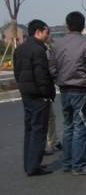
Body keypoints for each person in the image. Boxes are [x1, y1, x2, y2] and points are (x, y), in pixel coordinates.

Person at [49, 11, 86, 175]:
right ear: (83, 25)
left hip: (64, 90)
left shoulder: (57, 43)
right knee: (81, 127)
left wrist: (59, 80)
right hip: (81, 89)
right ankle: (79, 165)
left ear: (67, 25)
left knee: (68, 126)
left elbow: (51, 67)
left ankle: (68, 162)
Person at [13, 19, 55, 176]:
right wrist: (46, 94)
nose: (48, 34)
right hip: (39, 97)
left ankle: (28, 164)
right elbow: (42, 76)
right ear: (38, 31)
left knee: (30, 130)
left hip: (26, 95)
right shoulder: (38, 50)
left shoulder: (20, 49)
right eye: (46, 31)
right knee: (39, 131)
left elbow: (17, 73)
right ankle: (34, 166)